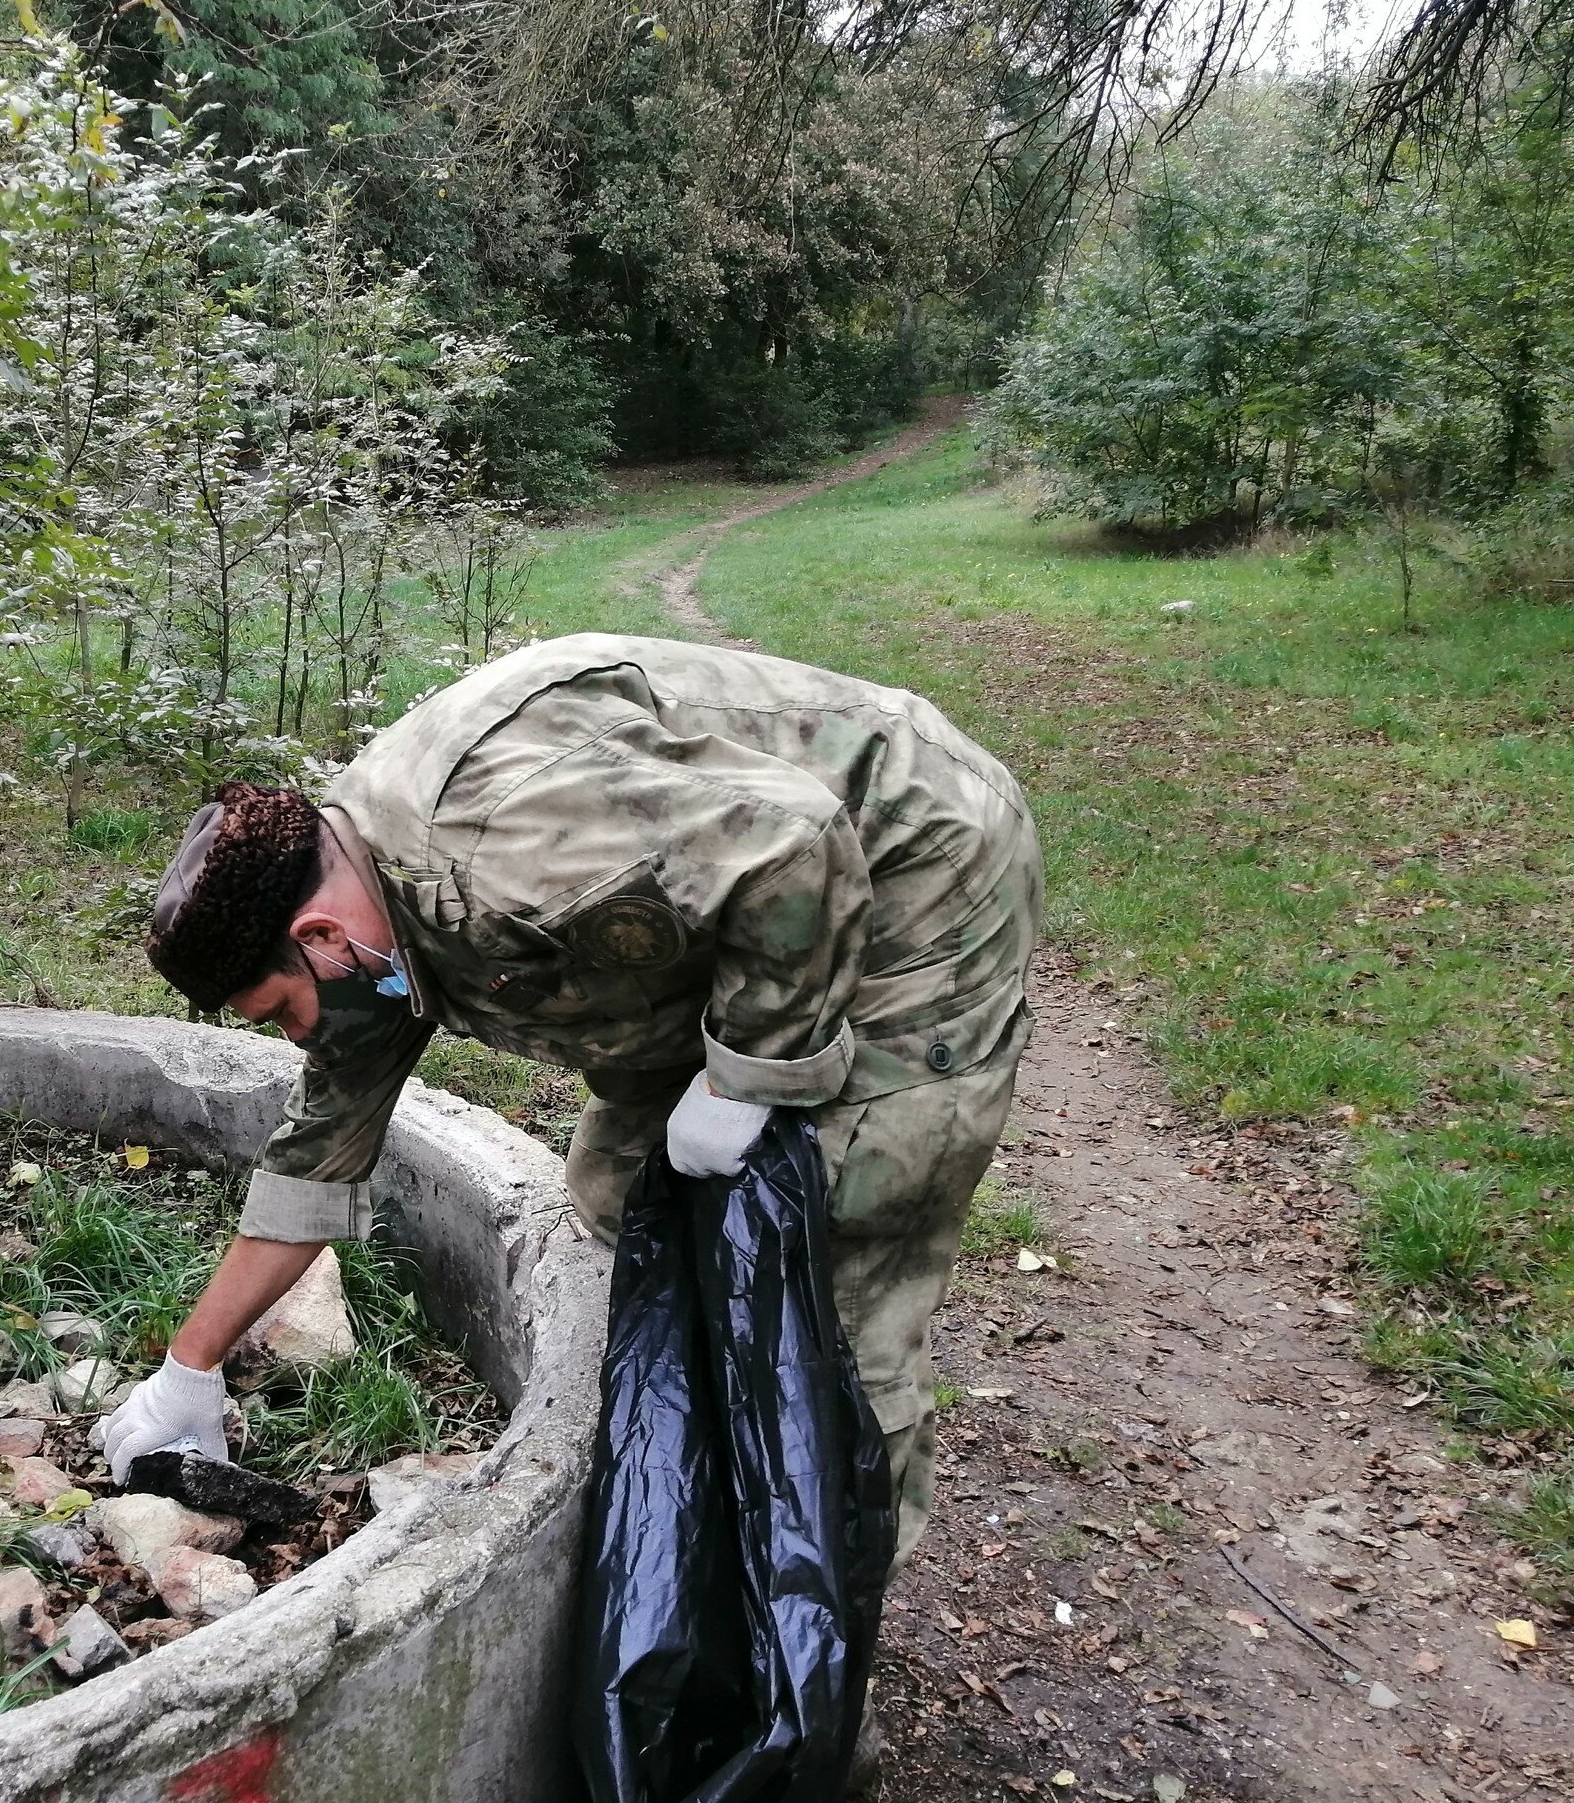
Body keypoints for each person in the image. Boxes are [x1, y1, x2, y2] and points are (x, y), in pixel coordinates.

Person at [96, 632, 1041, 1573]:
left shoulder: (500, 840)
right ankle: (697, 1472)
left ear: (320, 935)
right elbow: (318, 1152)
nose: (302, 1036)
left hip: (906, 865)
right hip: (735, 899)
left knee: (835, 1241)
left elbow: (790, 843)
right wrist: (190, 1370)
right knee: (614, 1194)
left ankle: (824, 1621)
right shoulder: (364, 938)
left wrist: (749, 1074)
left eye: (286, 1012)